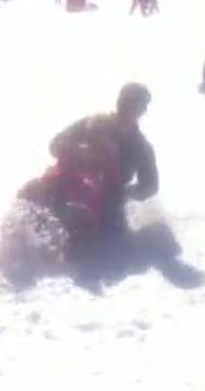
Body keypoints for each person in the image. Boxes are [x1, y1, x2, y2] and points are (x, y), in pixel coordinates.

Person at [18, 83, 158, 271]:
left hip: (106, 197)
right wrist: (79, 151)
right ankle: (23, 247)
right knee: (31, 193)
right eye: (123, 100)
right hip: (69, 179)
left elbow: (150, 185)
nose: (125, 106)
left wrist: (123, 192)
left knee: (94, 226)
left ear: (141, 109)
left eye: (132, 103)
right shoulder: (93, 123)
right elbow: (55, 144)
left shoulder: (139, 145)